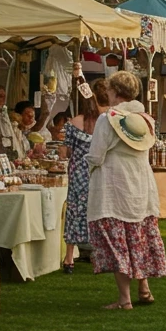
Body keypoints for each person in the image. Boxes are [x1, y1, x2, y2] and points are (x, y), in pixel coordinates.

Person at [86, 70, 166, 309]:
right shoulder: (145, 118)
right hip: (140, 185)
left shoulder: (107, 118)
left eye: (110, 90)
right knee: (137, 236)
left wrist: (86, 164)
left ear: (116, 92)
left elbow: (96, 155)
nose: (107, 93)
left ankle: (124, 299)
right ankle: (143, 288)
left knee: (118, 240)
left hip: (115, 185)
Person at [62, 89, 106, 273]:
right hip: (96, 171)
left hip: (77, 172)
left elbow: (66, 152)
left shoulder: (73, 123)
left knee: (74, 211)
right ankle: (98, 254)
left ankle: (69, 257)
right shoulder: (104, 123)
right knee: (98, 212)